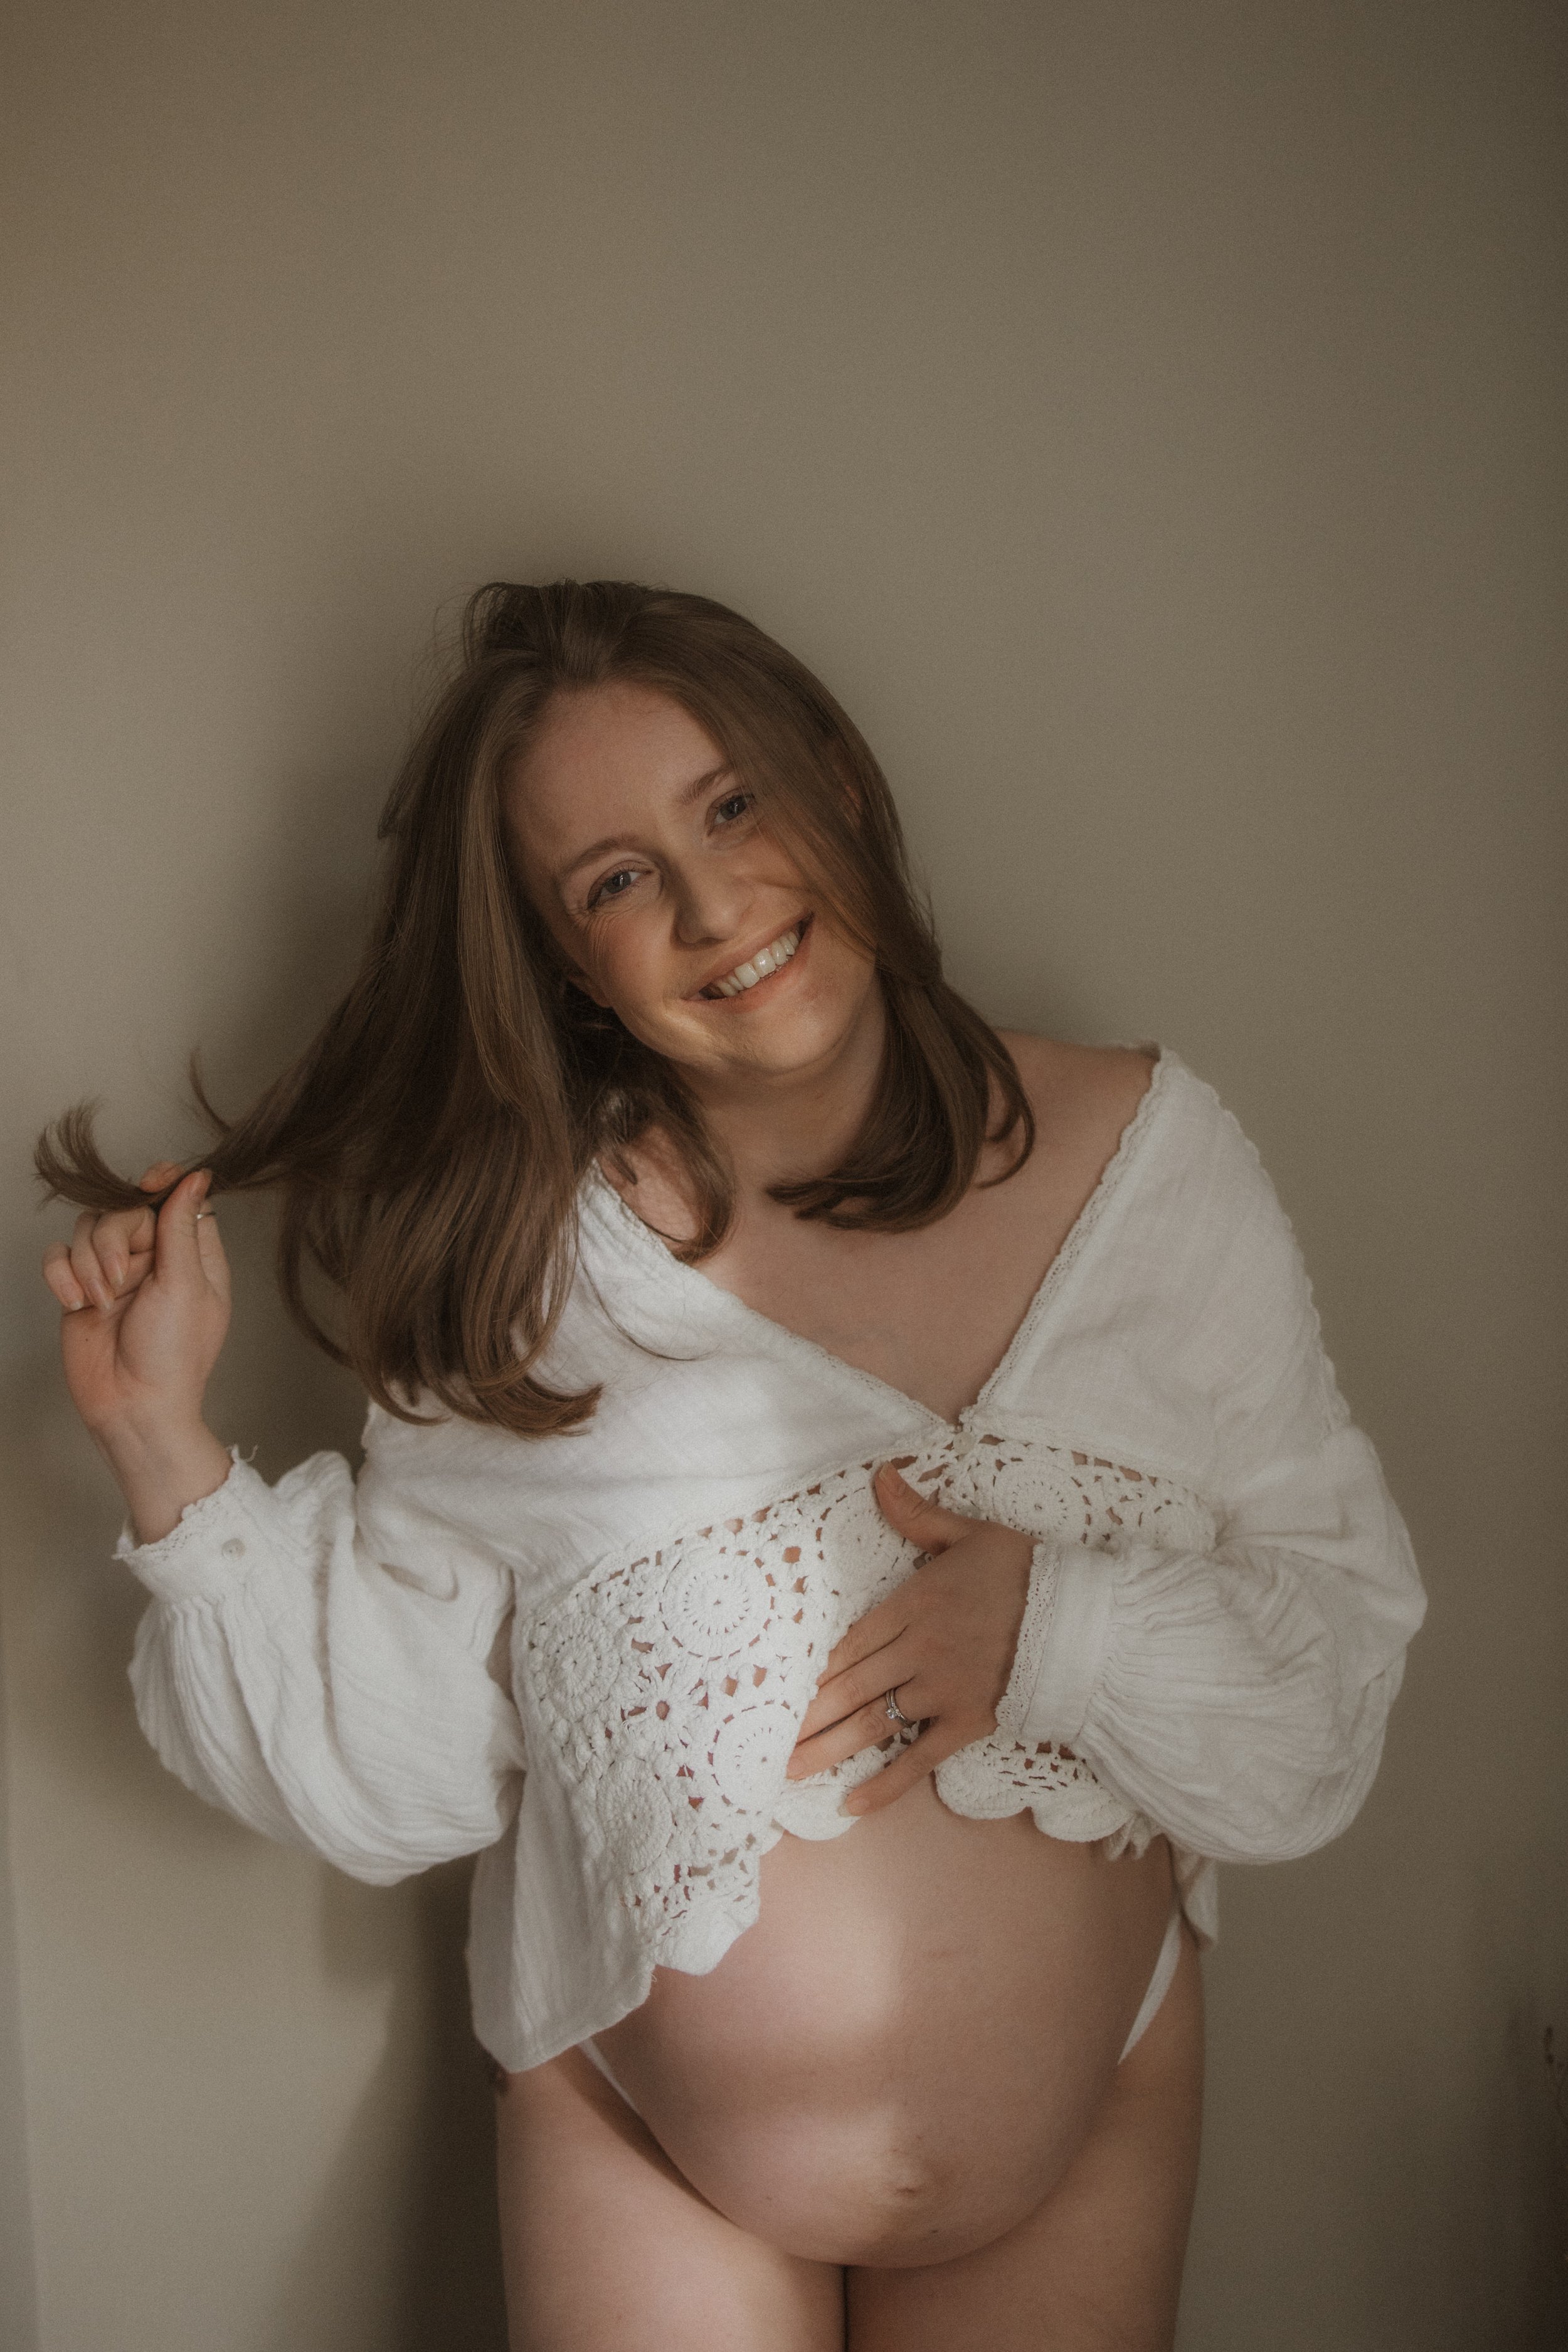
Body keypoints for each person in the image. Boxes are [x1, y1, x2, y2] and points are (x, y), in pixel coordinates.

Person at [37, 580, 1424, 2352]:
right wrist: (164, 1450)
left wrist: (1061, 1631)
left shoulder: (1155, 1171)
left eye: (731, 805)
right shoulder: (527, 1277)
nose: (712, 908)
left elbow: (1331, 1672)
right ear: (558, 958)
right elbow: (404, 1780)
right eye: (613, 880)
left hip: (1079, 2134)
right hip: (644, 2151)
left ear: (834, 782)